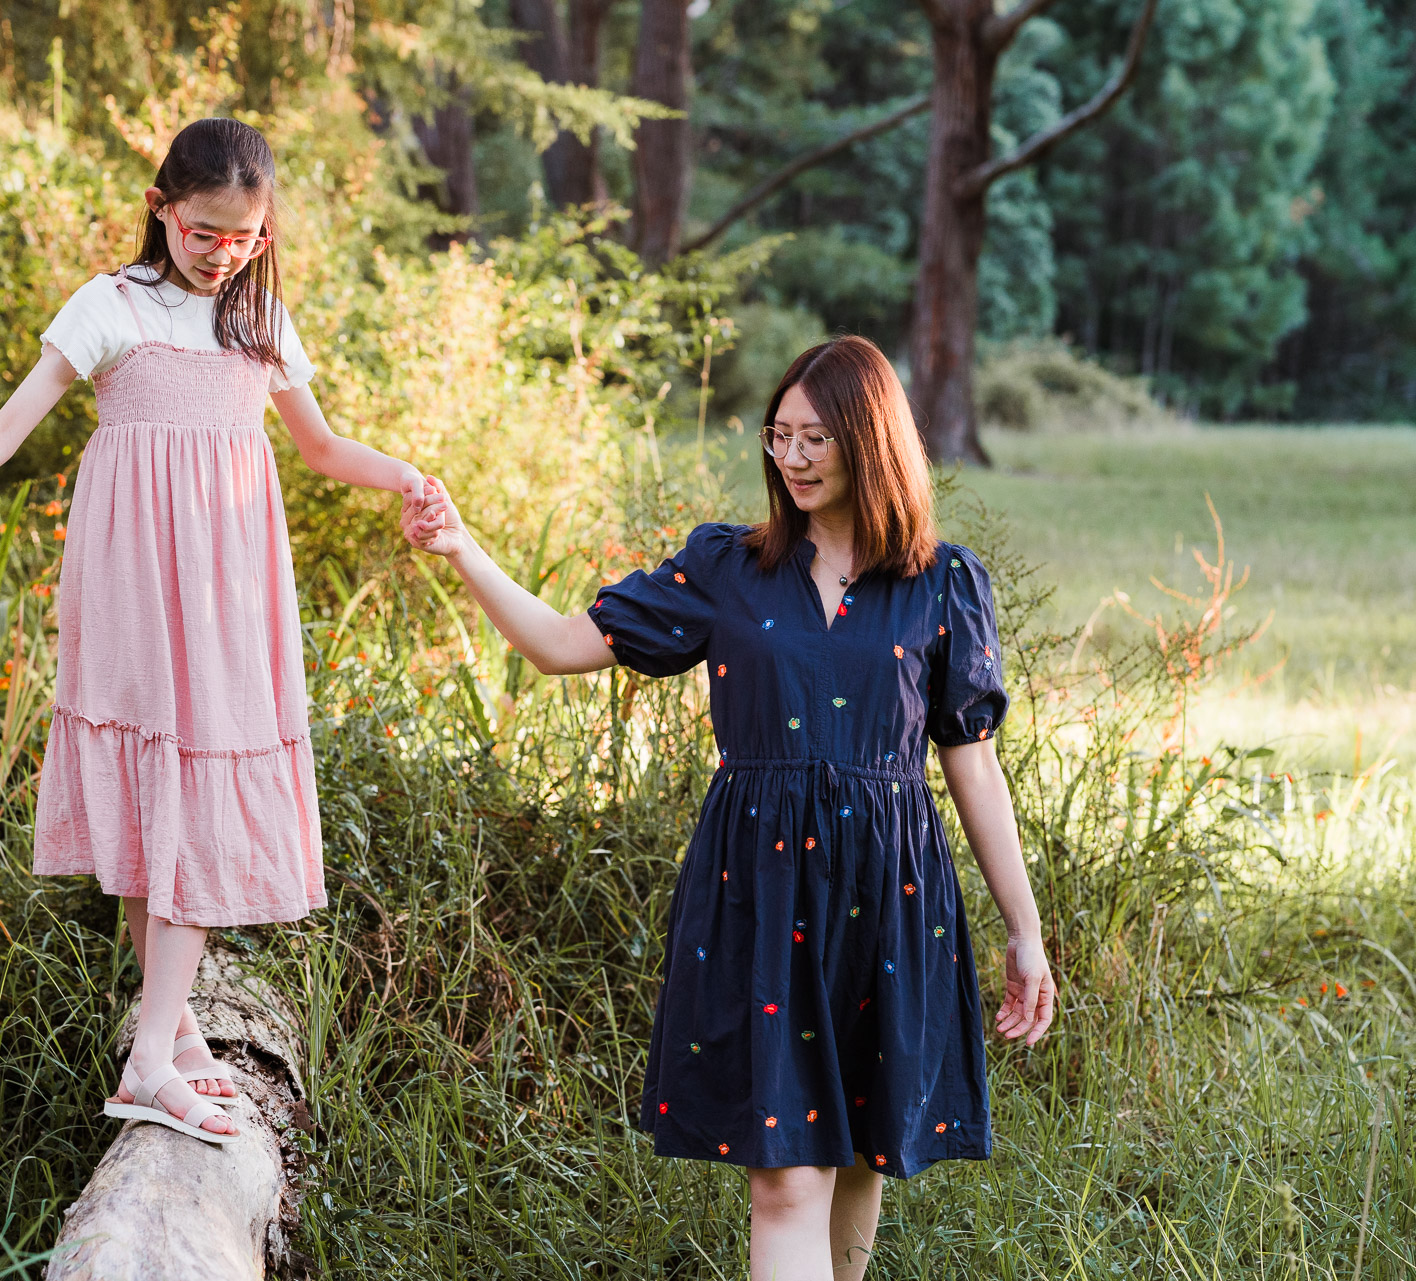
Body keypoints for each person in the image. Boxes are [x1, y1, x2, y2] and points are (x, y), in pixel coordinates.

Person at [401, 335, 1055, 1277]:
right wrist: (464, 547)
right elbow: (555, 644)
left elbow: (975, 767)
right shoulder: (727, 567)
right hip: (764, 888)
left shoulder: (942, 583)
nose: (789, 457)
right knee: (786, 1178)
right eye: (778, 435)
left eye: (814, 437)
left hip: (893, 894)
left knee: (864, 1155)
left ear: (870, 441)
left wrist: (1023, 931)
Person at [0, 117, 425, 1144]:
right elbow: (10, 422)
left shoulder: (260, 320)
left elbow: (318, 447)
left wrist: (404, 473)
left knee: (196, 785)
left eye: (245, 235)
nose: (223, 251)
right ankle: (148, 1062)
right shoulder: (112, 305)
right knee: (166, 790)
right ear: (161, 209)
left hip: (230, 584)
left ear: (265, 233)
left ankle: (171, 1037)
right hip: (134, 581)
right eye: (204, 231)